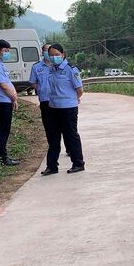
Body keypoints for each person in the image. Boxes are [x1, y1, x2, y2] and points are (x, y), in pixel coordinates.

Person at [43, 43, 85, 175]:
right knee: (53, 138)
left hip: (68, 108)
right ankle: (52, 166)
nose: (54, 57)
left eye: (57, 55)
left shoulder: (71, 70)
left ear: (63, 55)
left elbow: (79, 90)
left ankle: (78, 163)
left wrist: (72, 99)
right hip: (53, 107)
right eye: (52, 55)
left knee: (71, 136)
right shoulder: (51, 69)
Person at [0, 39, 20, 166]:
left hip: (5, 100)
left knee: (5, 129)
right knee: (2, 130)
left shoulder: (0, 64)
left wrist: (14, 97)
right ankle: (2, 158)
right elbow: (3, 85)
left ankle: (4, 156)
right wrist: (13, 98)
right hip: (1, 101)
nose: (7, 53)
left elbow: (8, 83)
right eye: (6, 51)